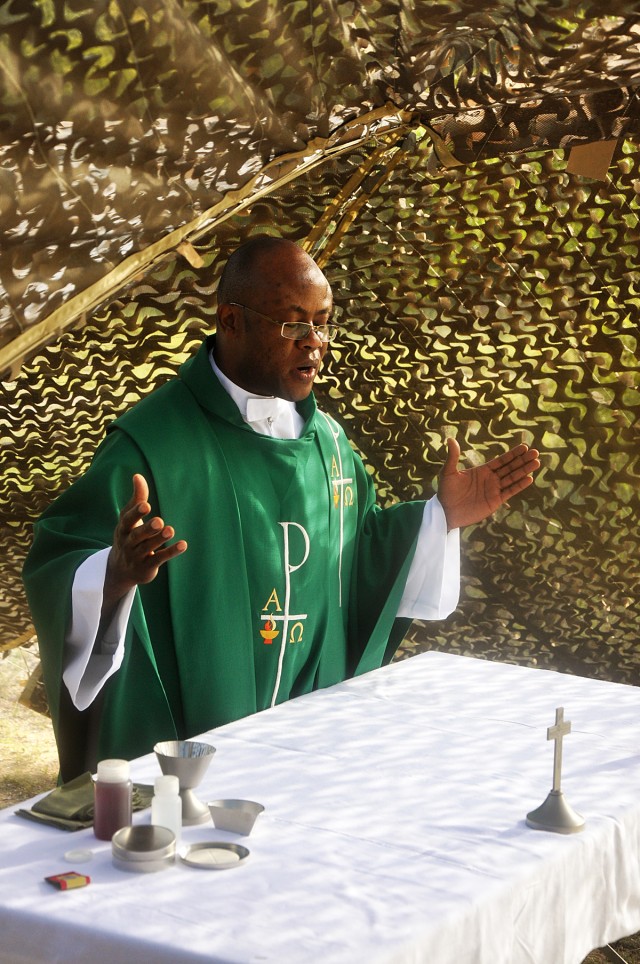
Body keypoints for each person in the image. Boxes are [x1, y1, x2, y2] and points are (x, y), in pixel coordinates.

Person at [23, 237, 540, 782]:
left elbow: (357, 555)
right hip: (192, 759)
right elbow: (58, 563)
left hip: (307, 747)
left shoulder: (330, 447)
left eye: (323, 322)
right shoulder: (152, 447)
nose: (315, 344)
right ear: (231, 321)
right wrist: (113, 572)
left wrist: (438, 518)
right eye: (294, 324)